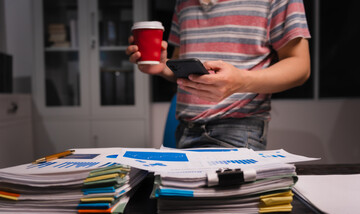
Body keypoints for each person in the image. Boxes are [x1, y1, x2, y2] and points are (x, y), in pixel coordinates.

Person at [126, 0, 311, 150]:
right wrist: (163, 67)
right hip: (184, 130)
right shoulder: (183, 3)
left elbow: (300, 66)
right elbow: (181, 70)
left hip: (238, 130)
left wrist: (241, 81)